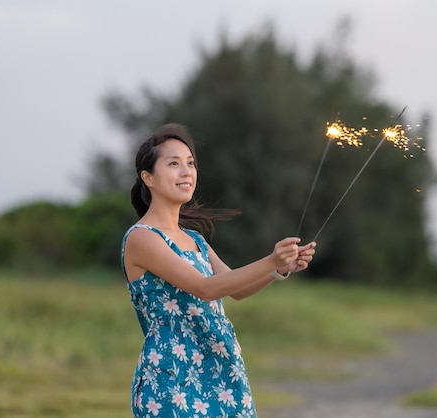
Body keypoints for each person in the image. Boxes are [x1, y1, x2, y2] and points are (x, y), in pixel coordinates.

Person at [120, 123, 317, 417]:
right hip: (171, 380)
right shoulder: (142, 237)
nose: (186, 172)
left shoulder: (195, 239)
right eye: (173, 163)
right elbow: (205, 288)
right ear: (148, 177)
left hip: (221, 370)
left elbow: (234, 289)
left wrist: (279, 269)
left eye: (190, 164)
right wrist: (270, 261)